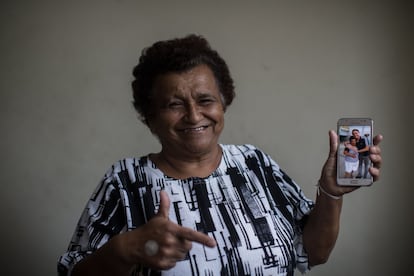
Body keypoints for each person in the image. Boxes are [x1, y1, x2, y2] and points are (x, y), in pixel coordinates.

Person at [57, 34, 383, 276]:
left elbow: (314, 252)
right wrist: (127, 249)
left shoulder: (254, 163)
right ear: (150, 116)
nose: (194, 116)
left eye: (205, 100)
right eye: (174, 104)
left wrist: (331, 193)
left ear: (223, 102)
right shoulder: (126, 181)